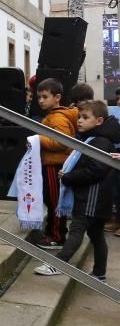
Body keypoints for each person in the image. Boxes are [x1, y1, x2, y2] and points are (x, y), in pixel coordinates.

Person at [34, 100, 113, 280]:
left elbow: (96, 170)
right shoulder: (95, 138)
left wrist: (68, 176)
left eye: (85, 118)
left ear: (99, 121)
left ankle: (59, 264)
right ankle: (100, 273)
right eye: (79, 117)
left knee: (78, 229)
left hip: (92, 196)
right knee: (96, 235)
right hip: (95, 196)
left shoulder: (100, 141)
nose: (79, 121)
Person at [34, 77, 78, 248]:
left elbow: (62, 142)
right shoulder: (53, 115)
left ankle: (57, 236)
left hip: (55, 164)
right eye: (39, 97)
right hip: (52, 163)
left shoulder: (58, 118)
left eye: (45, 97)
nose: (41, 101)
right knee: (51, 200)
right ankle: (53, 231)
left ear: (57, 97)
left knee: (55, 202)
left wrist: (39, 139)